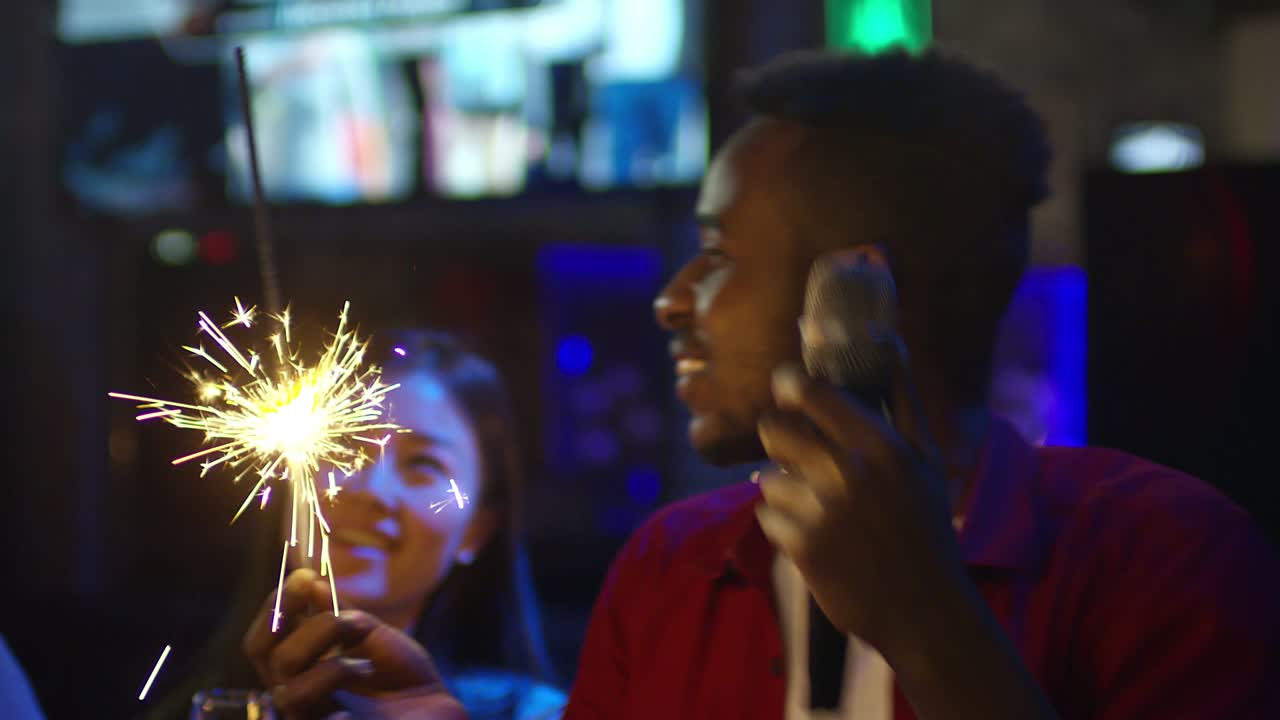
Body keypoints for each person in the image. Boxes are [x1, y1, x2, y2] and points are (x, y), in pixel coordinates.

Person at [255, 49, 1280, 719]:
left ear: (859, 288)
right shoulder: (673, 567)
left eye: (714, 254)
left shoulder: (1162, 555)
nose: (669, 300)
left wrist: (925, 618)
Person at [150, 330, 565, 720]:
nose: (370, 489)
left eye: (423, 463)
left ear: (477, 528)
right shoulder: (195, 704)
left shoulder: (541, 714)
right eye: (344, 447)